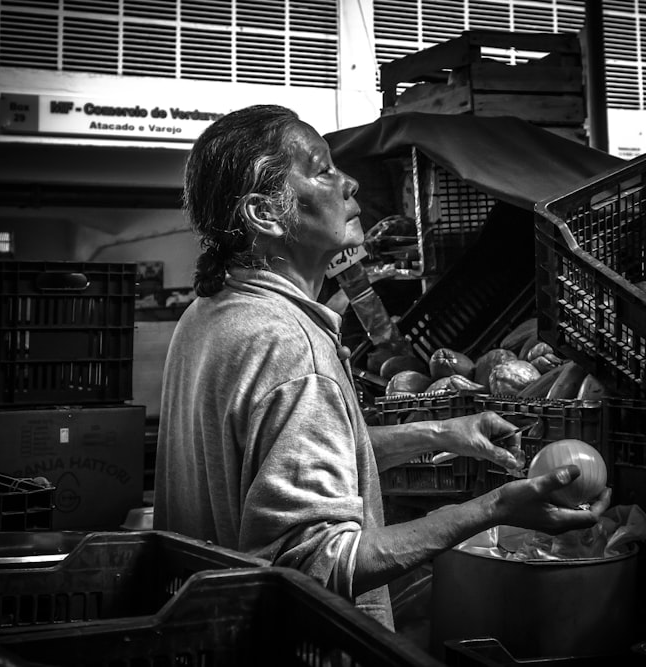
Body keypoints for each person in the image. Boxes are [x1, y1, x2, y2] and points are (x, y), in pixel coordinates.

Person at [155, 104, 611, 630]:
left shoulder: (210, 315)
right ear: (264, 213)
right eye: (322, 169)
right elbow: (317, 566)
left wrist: (442, 431)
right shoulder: (289, 346)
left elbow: (283, 459)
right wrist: (495, 508)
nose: (348, 182)